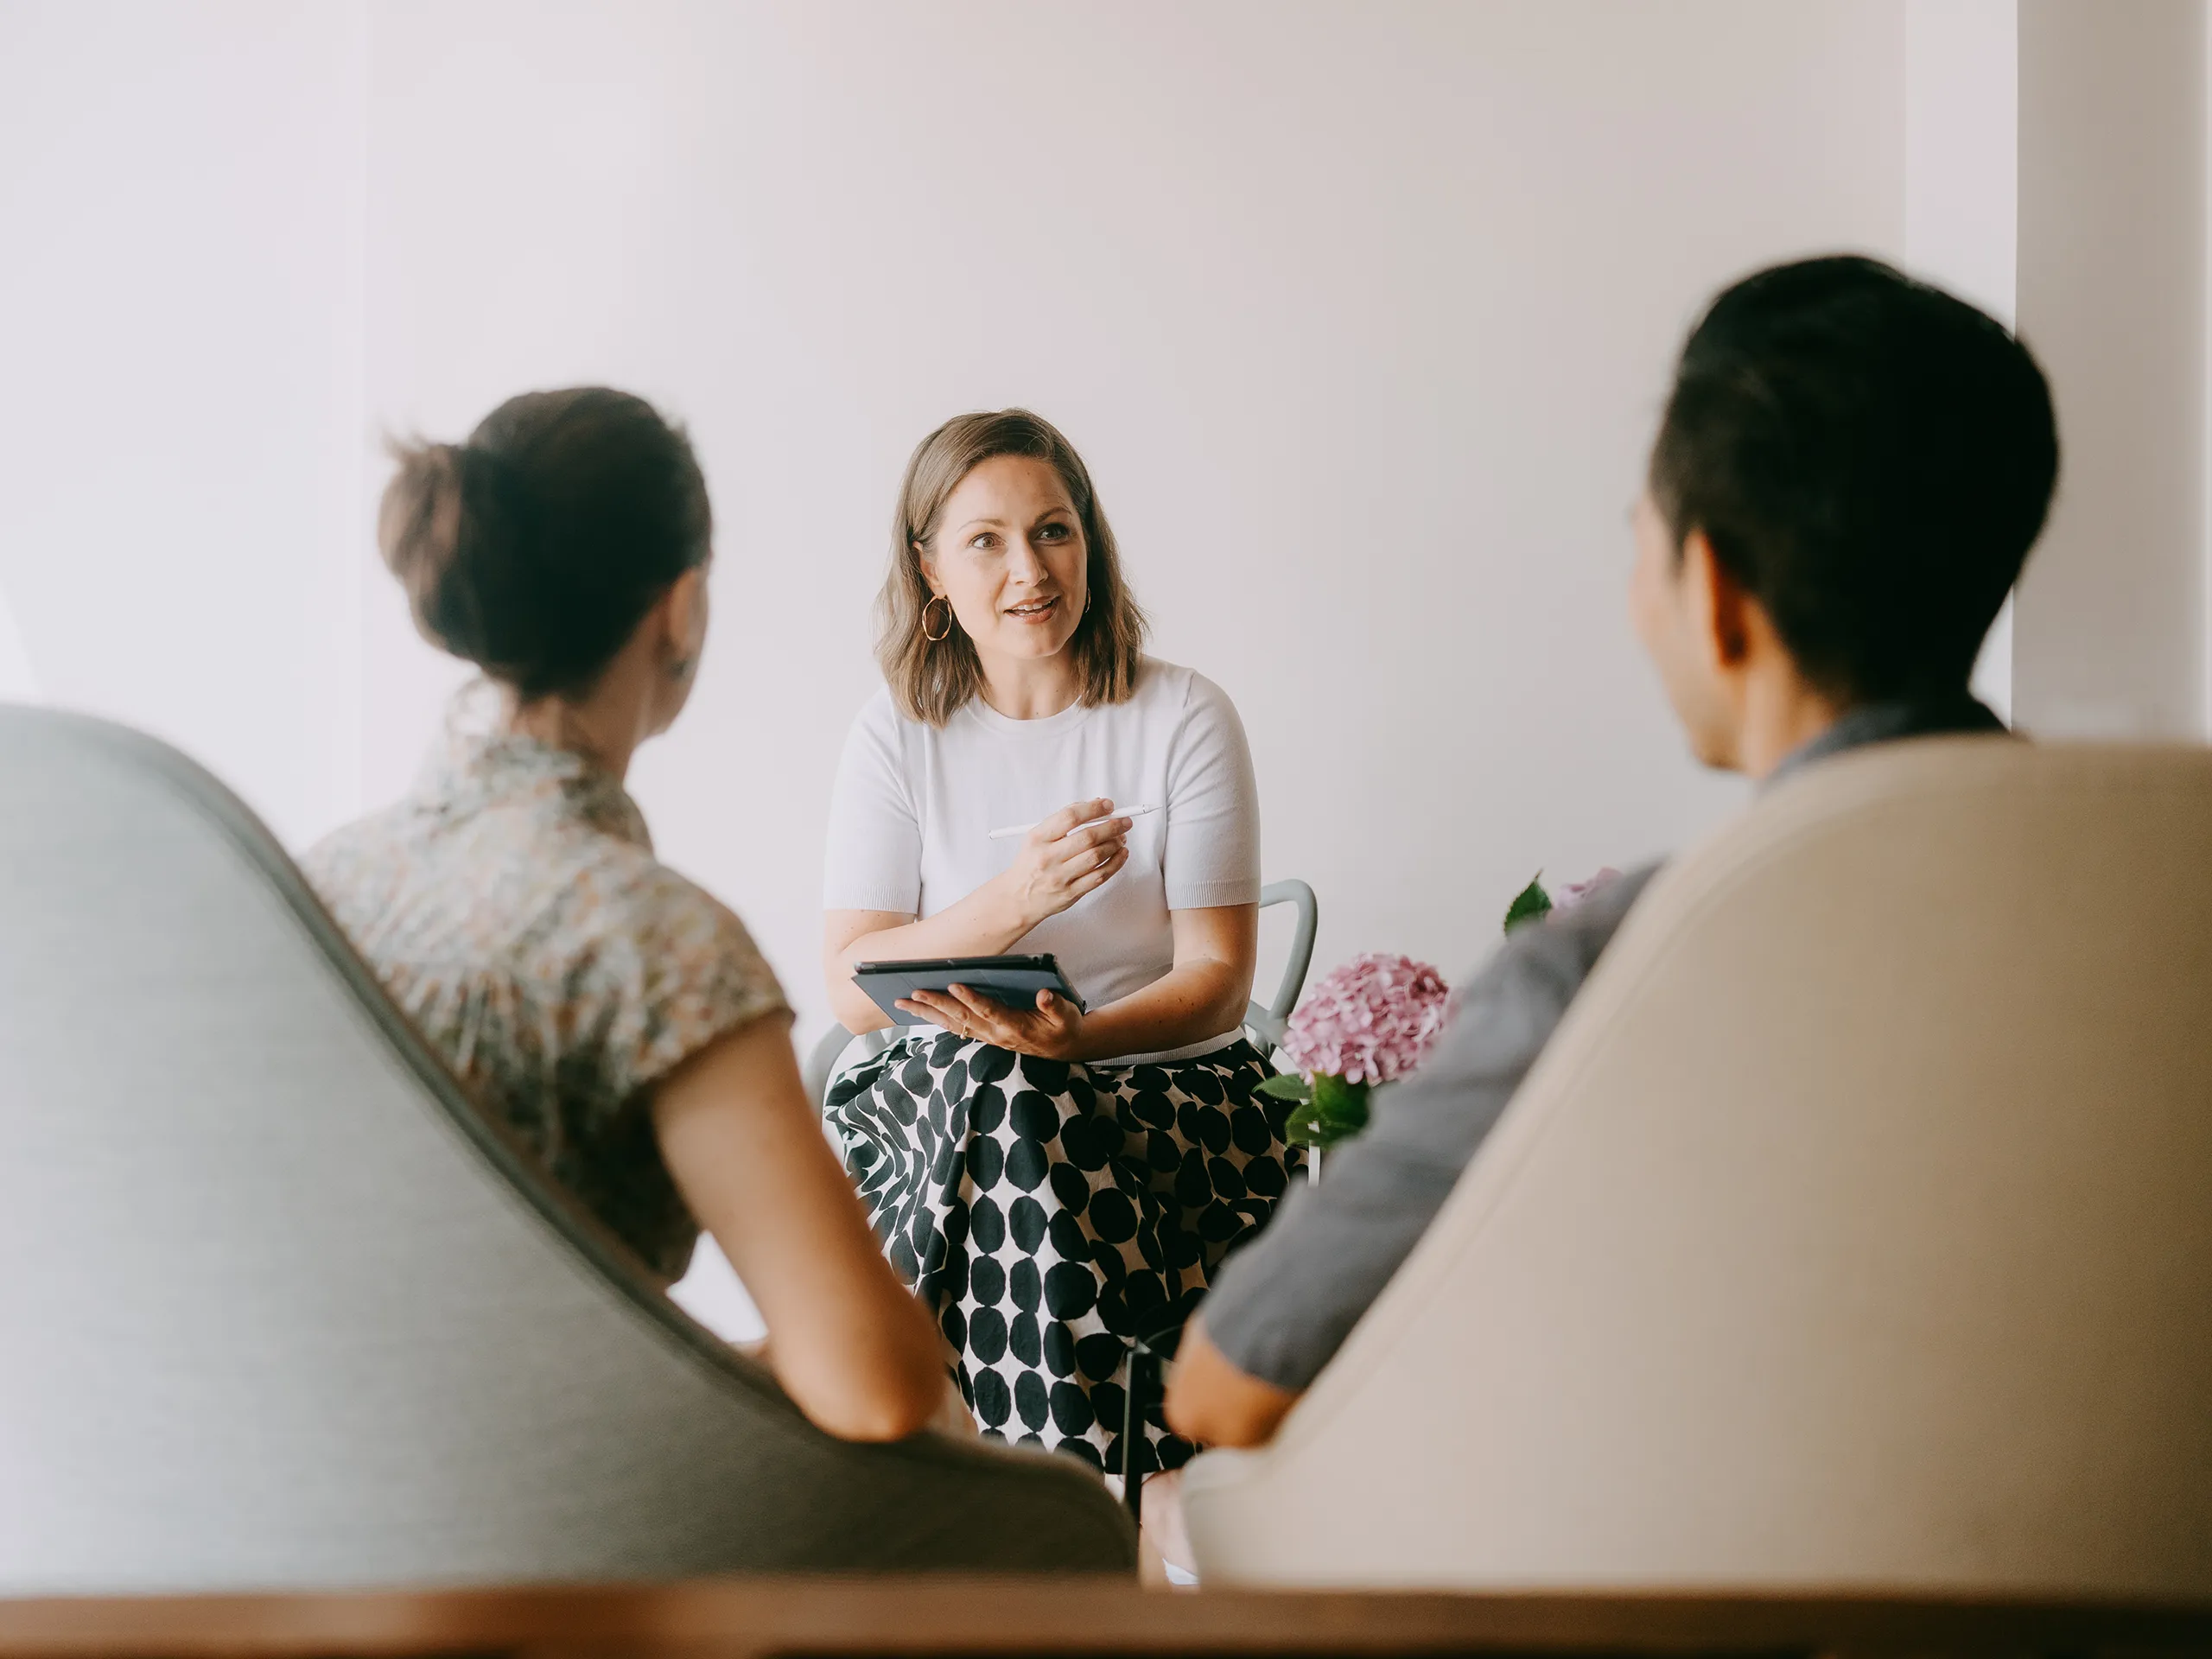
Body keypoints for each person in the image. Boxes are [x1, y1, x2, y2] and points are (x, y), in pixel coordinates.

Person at [1166, 254, 2062, 1448]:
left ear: (1718, 596)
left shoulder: (1617, 965)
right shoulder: (2164, 909)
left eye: (1641, 538)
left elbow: (1227, 1385)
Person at [304, 387, 950, 1443]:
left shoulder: (328, 876)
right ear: (682, 608)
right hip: (541, 1515)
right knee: (1005, 1472)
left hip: (306, 1499)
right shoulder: (654, 938)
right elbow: (875, 1385)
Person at [820, 409, 1300, 1479]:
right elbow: (854, 992)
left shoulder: (1181, 716)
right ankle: (1107, 1500)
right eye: (984, 540)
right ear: (930, 571)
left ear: (1091, 541)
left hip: (1162, 1101)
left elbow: (1218, 983)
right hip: (941, 1105)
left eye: (1053, 531)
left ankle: (1000, 1508)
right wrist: (1016, 900)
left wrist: (1074, 1044)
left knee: (1022, 1095)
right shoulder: (895, 736)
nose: (1029, 569)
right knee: (999, 1085)